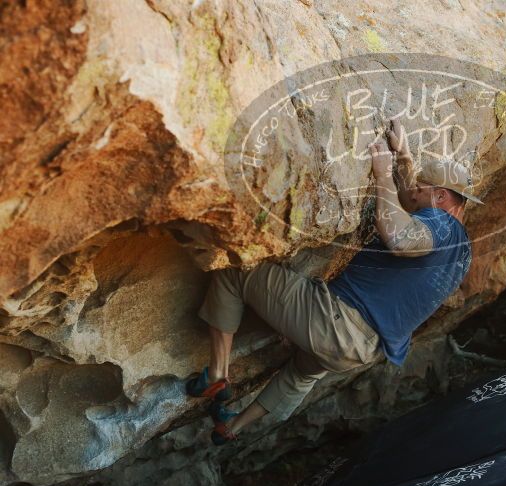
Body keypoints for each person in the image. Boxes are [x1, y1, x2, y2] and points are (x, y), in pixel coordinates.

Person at [186, 120, 480, 445]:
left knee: (234, 271)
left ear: (440, 196)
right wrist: (405, 156)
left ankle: (217, 374)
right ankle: (233, 427)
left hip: (336, 324)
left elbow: (400, 238)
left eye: (424, 189)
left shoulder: (439, 225)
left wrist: (382, 174)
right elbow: (410, 203)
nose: (415, 192)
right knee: (301, 373)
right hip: (359, 350)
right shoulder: (461, 252)